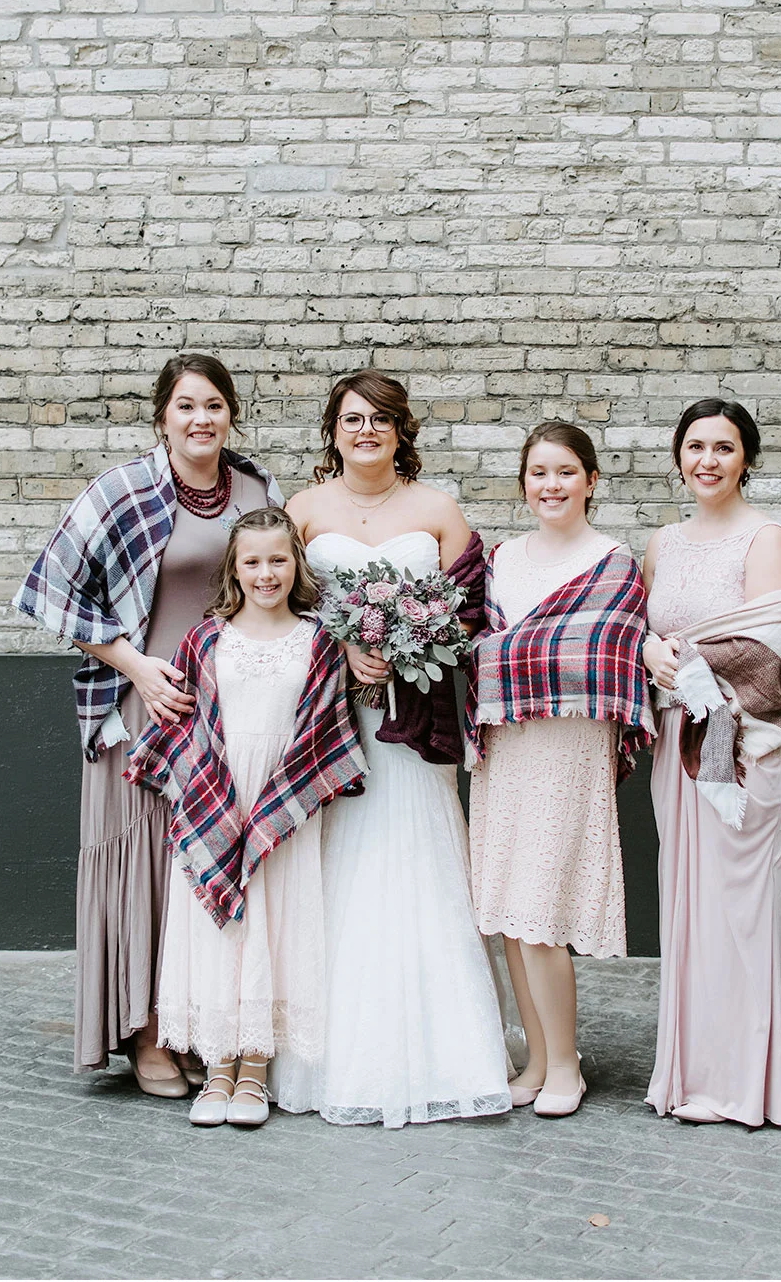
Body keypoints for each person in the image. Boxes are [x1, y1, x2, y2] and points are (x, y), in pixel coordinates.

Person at [13, 353, 284, 1093]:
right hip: (143, 707)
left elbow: (281, 584)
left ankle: (191, 1023)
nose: (202, 419)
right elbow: (48, 590)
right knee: (145, 868)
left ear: (232, 413)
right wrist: (135, 666)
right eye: (186, 406)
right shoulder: (123, 490)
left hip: (229, 710)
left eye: (215, 405)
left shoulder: (257, 488)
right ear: (163, 415)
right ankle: (144, 1033)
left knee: (199, 869)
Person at [281, 370, 511, 1128]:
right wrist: (342, 649)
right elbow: (277, 603)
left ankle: (450, 1054)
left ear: (401, 430)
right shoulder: (303, 511)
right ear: (333, 430)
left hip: (416, 728)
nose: (367, 431)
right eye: (352, 419)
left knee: (423, 857)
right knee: (339, 866)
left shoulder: (437, 509)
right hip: (336, 722)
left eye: (381, 419)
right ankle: (331, 1051)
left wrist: (416, 641)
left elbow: (473, 610)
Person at [123, 508, 368, 1127]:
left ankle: (255, 1069)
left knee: (275, 928)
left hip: (283, 805)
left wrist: (281, 799)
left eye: (278, 560)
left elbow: (324, 732)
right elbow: (186, 725)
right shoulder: (206, 639)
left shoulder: (319, 641)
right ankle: (218, 1066)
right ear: (234, 568)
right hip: (217, 796)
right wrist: (206, 793)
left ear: (296, 565)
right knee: (221, 930)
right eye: (252, 561)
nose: (266, 573)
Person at [466, 422, 653, 1118]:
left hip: (570, 746)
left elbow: (611, 650)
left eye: (566, 471)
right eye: (539, 472)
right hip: (508, 743)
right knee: (511, 910)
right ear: (524, 482)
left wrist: (516, 652)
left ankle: (567, 1065)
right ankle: (539, 1060)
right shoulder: (501, 559)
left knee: (541, 909)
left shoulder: (614, 562)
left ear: (591, 481)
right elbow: (485, 648)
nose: (552, 485)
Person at [642, 397, 781, 1127]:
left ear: (746, 459)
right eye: (696, 446)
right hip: (677, 741)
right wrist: (651, 653)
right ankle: (689, 1077)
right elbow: (644, 635)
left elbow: (771, 652)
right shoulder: (662, 543)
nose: (707, 460)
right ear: (679, 456)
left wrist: (685, 661)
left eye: (724, 448)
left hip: (745, 748)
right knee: (686, 908)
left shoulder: (765, 539)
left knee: (738, 912)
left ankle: (740, 1085)